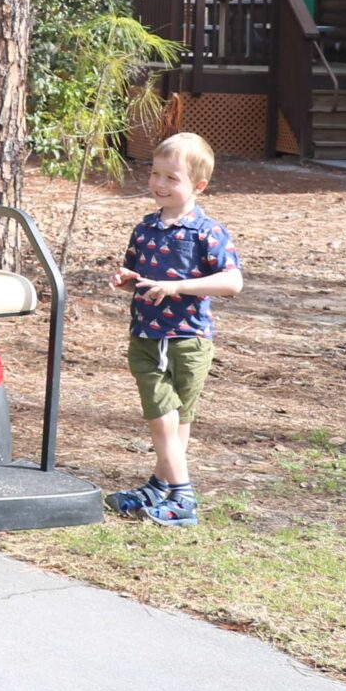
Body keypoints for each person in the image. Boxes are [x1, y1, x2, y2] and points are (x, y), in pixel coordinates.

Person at [106, 132, 243, 527]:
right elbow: (144, 277)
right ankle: (168, 490)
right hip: (148, 336)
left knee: (177, 420)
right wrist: (129, 279)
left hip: (188, 339)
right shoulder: (145, 228)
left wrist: (178, 287)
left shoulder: (207, 232)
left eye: (172, 178)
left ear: (198, 186)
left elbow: (232, 283)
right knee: (162, 414)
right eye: (154, 174)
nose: (159, 184)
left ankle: (173, 494)